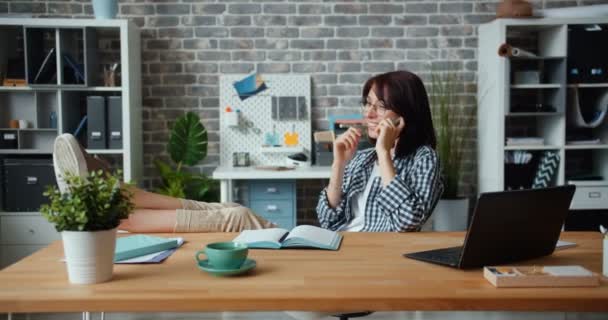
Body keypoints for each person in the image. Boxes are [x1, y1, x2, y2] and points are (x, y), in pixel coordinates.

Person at [52, 133, 274, 233]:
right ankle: (117, 198)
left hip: (293, 245)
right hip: (295, 237)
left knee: (238, 216)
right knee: (233, 208)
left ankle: (115, 208)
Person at [317, 70, 443, 232]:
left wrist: (384, 153)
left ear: (406, 113)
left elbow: (407, 222)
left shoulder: (424, 158)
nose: (368, 114)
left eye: (381, 106)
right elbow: (328, 221)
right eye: (368, 103)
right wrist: (339, 164)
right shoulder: (362, 159)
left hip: (380, 251)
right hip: (342, 245)